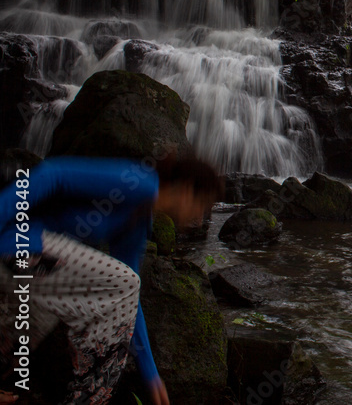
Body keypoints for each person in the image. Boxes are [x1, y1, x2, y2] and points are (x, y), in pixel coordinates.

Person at [0, 154, 223, 405]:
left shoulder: (139, 219)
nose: (202, 214)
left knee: (51, 311)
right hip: (16, 245)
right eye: (202, 203)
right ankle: (87, 399)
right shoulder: (140, 183)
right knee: (123, 283)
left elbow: (129, 303)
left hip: (29, 269)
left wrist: (150, 375)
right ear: (185, 190)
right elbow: (54, 174)